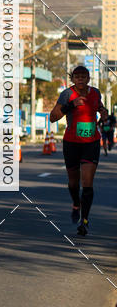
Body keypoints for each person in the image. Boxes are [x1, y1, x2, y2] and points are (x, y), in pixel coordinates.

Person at [49, 65, 108, 236]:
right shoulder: (67, 94)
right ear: (73, 79)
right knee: (74, 183)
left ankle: (84, 220)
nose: (80, 79)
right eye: (77, 76)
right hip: (71, 143)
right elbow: (53, 117)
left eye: (84, 76)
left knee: (87, 182)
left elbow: (100, 108)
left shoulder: (95, 93)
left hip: (91, 142)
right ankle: (76, 203)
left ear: (89, 79)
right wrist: (71, 105)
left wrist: (104, 113)